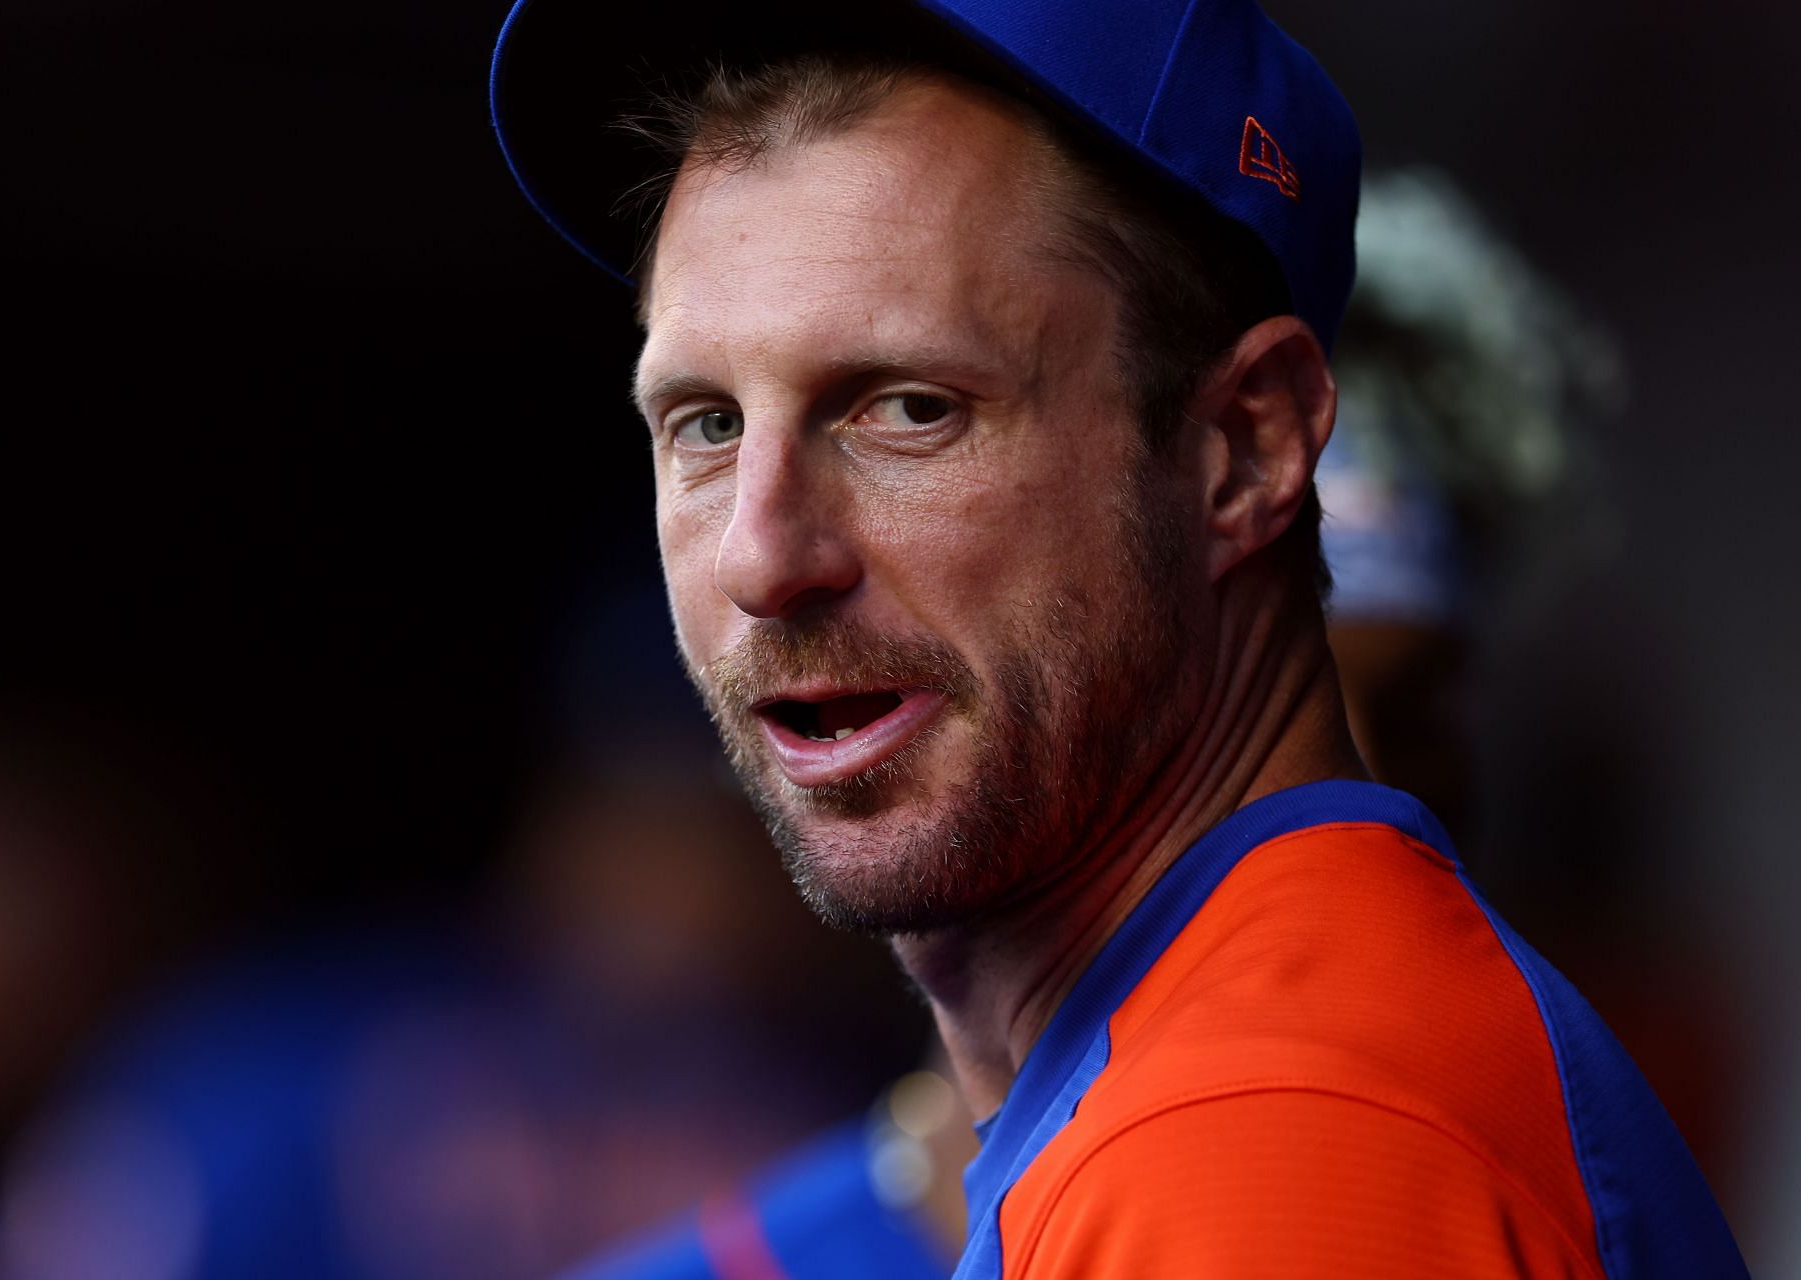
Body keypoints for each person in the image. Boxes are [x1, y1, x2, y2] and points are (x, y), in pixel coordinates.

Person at [488, 1, 1748, 1275]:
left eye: (910, 409)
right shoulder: (1192, 1095)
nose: (762, 557)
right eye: (703, 424)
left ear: (1246, 448)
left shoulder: (1262, 1141)